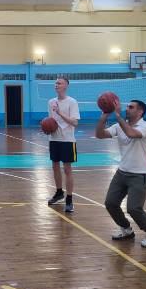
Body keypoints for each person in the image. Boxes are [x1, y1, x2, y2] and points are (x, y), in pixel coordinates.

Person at [95, 99, 146, 247]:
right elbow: (99, 134)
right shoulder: (119, 126)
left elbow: (131, 133)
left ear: (140, 111)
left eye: (131, 107)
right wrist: (104, 117)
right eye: (128, 107)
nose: (127, 109)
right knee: (110, 203)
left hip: (140, 174)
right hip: (122, 172)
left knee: (133, 208)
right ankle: (126, 229)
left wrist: (117, 116)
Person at [46, 77, 80, 212]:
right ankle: (59, 192)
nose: (56, 85)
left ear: (66, 86)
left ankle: (69, 199)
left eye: (59, 83)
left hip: (67, 140)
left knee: (67, 169)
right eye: (56, 83)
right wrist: (46, 127)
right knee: (55, 167)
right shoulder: (51, 102)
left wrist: (60, 113)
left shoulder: (72, 102)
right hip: (54, 139)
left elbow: (75, 122)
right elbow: (51, 121)